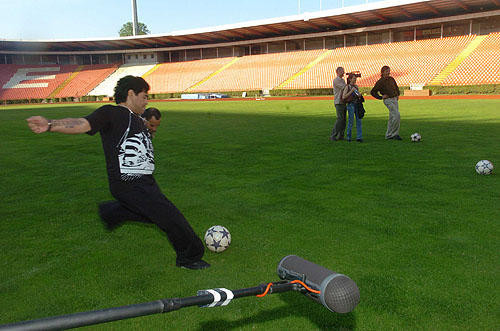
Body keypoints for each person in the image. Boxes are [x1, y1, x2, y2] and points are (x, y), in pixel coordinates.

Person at [26, 75, 209, 270]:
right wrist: (51, 124)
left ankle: (113, 212)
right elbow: (83, 123)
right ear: (131, 94)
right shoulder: (112, 113)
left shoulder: (138, 119)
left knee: (156, 216)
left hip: (146, 182)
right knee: (172, 218)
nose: (147, 101)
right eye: (144, 96)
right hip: (129, 184)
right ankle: (189, 257)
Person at [370, 66, 402, 140]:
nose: (388, 72)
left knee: (392, 117)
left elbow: (396, 87)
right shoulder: (380, 82)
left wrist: (397, 94)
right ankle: (395, 134)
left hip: (394, 99)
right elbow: (373, 92)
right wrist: (381, 97)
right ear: (382, 72)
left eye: (389, 71)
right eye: (387, 71)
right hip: (388, 100)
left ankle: (388, 135)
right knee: (397, 115)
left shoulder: (391, 79)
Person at [342, 73, 363, 142]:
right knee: (351, 121)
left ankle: (359, 137)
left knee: (359, 121)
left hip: (357, 104)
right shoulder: (347, 87)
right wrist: (351, 91)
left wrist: (359, 95)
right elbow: (344, 97)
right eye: (354, 78)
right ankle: (348, 137)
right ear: (350, 79)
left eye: (355, 78)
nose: (355, 80)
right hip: (350, 105)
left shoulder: (356, 86)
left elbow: (357, 95)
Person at [330, 66, 347, 141]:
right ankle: (333, 135)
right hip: (338, 102)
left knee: (343, 120)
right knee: (340, 119)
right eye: (342, 71)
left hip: (342, 101)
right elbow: (344, 88)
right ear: (338, 72)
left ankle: (341, 135)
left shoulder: (342, 80)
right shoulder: (336, 80)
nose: (343, 72)